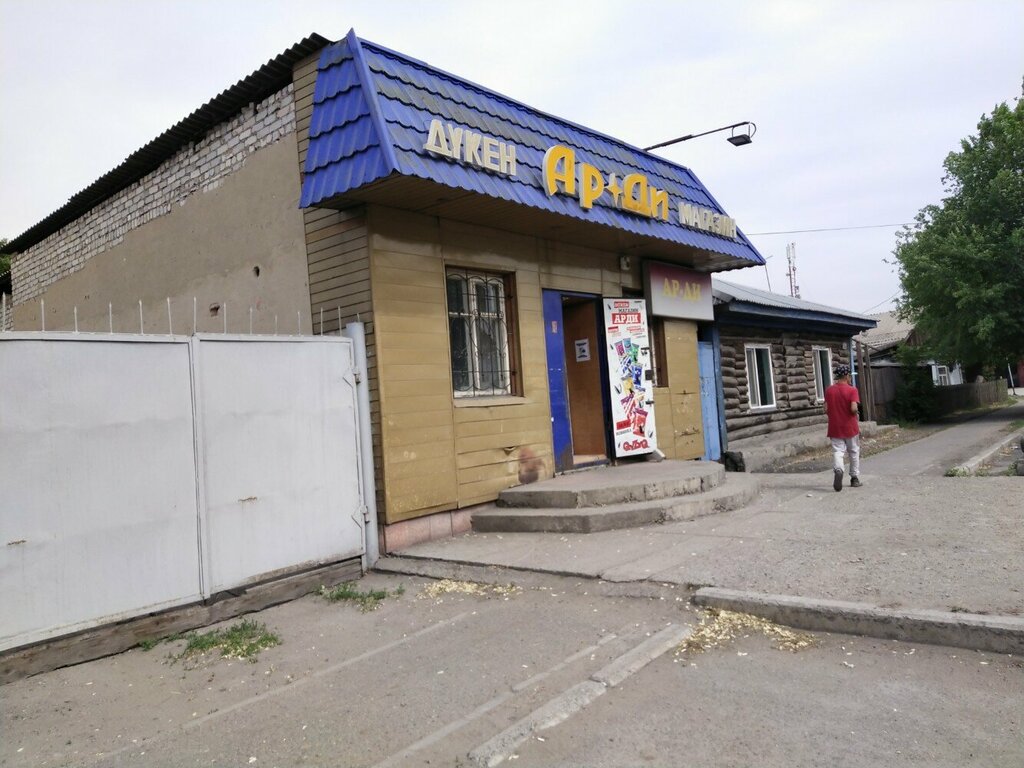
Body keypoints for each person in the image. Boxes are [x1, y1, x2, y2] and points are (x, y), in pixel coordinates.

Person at [824, 363, 861, 491]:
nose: (850, 377)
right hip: (850, 426)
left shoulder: (829, 390)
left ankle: (839, 469)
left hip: (835, 427)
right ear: (846, 376)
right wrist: (856, 412)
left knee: (838, 451)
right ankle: (854, 478)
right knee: (853, 451)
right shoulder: (852, 390)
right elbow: (853, 408)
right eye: (850, 375)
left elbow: (825, 408)